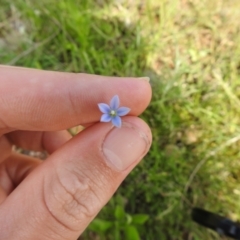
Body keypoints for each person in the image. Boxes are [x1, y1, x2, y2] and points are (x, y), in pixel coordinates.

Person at [0, 65, 152, 240]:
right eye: (111, 112)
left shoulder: (112, 114)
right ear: (110, 111)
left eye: (114, 112)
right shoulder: (110, 114)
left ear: (116, 112)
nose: (112, 112)